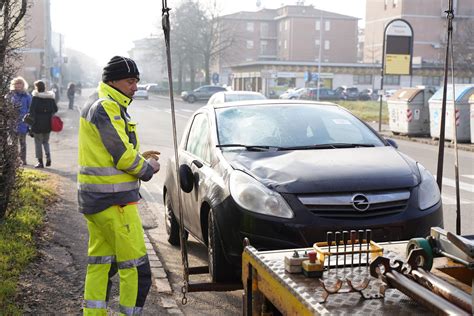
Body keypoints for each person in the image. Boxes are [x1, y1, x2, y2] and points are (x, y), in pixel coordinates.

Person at [78, 56, 160, 315]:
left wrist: (139, 157)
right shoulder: (107, 106)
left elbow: (111, 151)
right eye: (130, 81)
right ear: (112, 80)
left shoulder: (97, 101)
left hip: (96, 202)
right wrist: (148, 169)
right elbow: (122, 155)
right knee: (136, 269)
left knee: (101, 264)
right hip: (116, 204)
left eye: (136, 81)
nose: (135, 86)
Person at [29, 80, 58, 168]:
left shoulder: (35, 98)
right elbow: (55, 109)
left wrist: (30, 125)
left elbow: (32, 111)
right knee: (46, 142)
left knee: (38, 142)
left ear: (36, 87)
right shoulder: (50, 97)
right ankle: (48, 157)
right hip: (48, 123)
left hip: (37, 123)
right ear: (45, 87)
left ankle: (40, 162)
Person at [7, 76, 32, 165]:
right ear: (13, 85)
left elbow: (30, 109)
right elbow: (6, 107)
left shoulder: (27, 96)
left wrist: (28, 123)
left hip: (23, 123)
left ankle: (23, 160)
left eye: (20, 83)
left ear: (23, 85)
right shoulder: (10, 95)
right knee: (13, 143)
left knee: (22, 143)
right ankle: (14, 160)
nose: (18, 85)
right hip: (12, 122)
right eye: (16, 84)